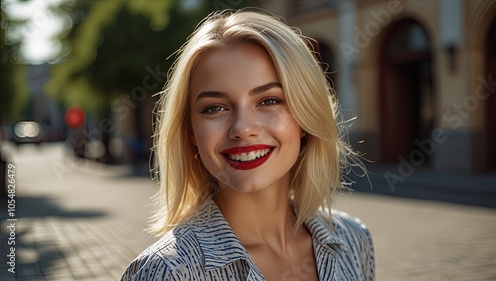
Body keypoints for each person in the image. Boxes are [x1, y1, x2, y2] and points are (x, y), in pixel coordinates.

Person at [121, 9, 375, 281]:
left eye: (268, 101)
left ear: (304, 116)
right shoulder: (166, 272)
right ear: (191, 132)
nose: (243, 129)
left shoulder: (353, 240)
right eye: (215, 108)